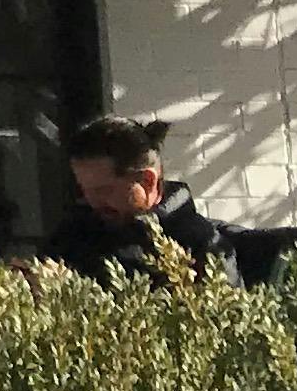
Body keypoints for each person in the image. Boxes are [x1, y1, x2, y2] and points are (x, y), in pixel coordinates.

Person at [40, 113, 241, 279]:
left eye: (103, 190)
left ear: (147, 181)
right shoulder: (73, 234)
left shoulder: (201, 245)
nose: (92, 201)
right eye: (85, 189)